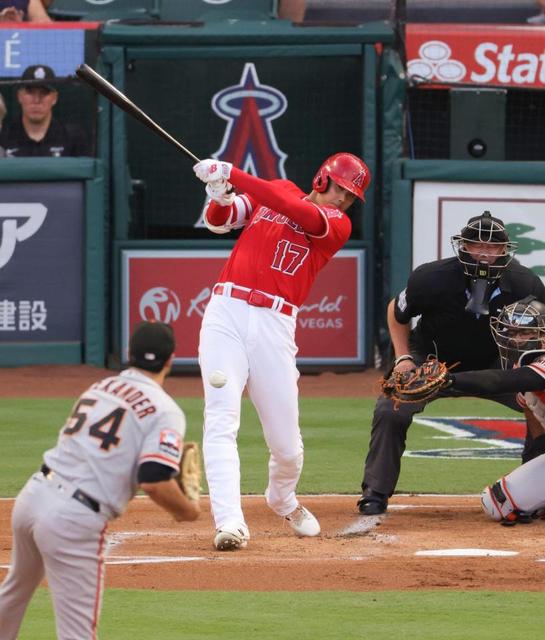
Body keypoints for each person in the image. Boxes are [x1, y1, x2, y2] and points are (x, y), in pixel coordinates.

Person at [193, 152, 371, 550]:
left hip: (275, 326)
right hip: (227, 313)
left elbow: (294, 210)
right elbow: (218, 223)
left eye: (351, 196)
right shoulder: (275, 192)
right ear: (322, 179)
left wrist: (232, 173)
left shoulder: (336, 224)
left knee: (287, 448)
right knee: (221, 419)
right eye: (341, 189)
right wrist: (220, 195)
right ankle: (230, 523)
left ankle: (282, 498)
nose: (344, 200)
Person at [0, 321, 200, 640]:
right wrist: (187, 511)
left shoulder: (100, 387)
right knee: (77, 633)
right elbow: (154, 479)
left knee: (12, 594)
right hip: (73, 518)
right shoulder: (166, 410)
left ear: (128, 354)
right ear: (170, 360)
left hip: (33, 495)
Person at [357, 211, 545, 516]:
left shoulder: (526, 283)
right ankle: (375, 494)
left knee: (539, 400)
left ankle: (535, 491)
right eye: (476, 245)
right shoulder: (431, 277)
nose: (484, 253)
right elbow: (397, 310)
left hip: (495, 363)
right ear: (463, 247)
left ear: (504, 250)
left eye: (492, 247)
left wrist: (528, 374)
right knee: (391, 408)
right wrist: (404, 357)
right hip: (431, 358)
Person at [443, 296, 545, 524]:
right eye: (511, 333)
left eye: (525, 333)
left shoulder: (530, 372)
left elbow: (499, 381)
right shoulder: (525, 372)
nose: (516, 340)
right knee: (498, 502)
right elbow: (538, 437)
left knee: (499, 503)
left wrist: (449, 380)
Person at [0, 64, 90, 157]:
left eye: (44, 93)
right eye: (30, 92)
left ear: (54, 98)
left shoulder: (73, 138)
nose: (36, 100)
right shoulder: (3, 137)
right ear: (19, 96)